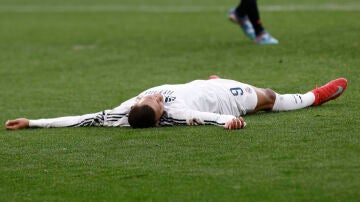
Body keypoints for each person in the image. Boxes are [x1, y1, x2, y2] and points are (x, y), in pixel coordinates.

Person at [5, 77, 347, 130]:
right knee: (269, 97)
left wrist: (33, 122)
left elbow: (80, 118)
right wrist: (227, 122)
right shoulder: (176, 112)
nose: (155, 98)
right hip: (224, 99)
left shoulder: (124, 112)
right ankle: (313, 97)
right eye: (158, 104)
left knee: (217, 81)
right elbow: (203, 116)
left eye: (151, 99)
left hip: (201, 84)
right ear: (160, 114)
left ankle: (217, 78)